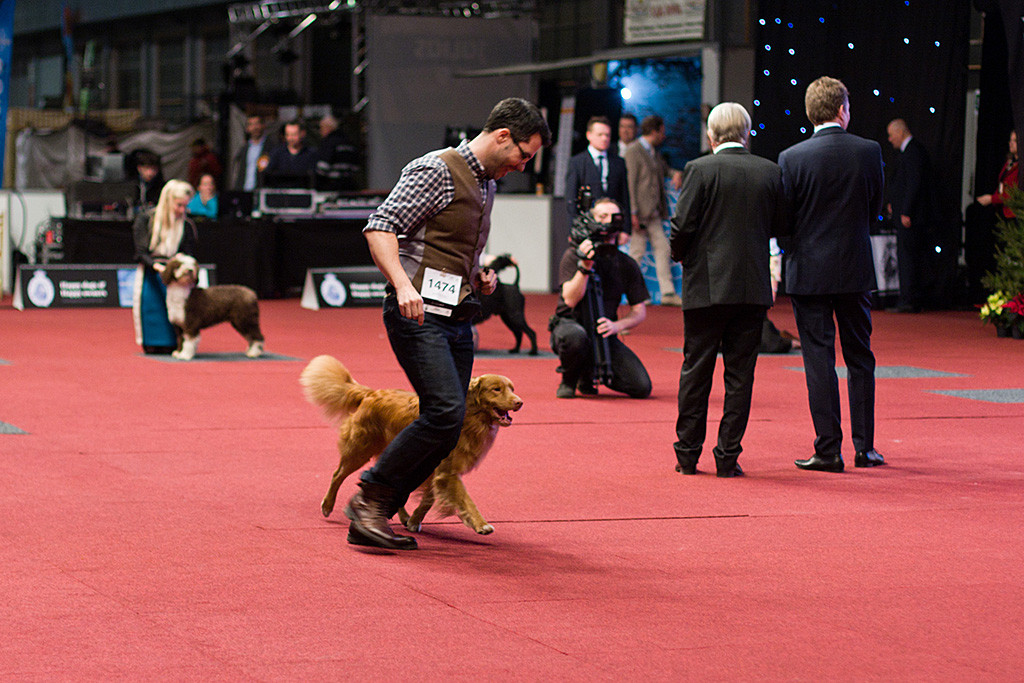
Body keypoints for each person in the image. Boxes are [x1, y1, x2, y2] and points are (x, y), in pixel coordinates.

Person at [344, 97, 551, 550]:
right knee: (442, 414)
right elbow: (380, 227)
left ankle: (382, 504)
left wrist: (477, 274)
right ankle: (369, 502)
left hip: (458, 315)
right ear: (502, 137)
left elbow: (455, 246)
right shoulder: (435, 169)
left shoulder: (487, 184)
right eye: (524, 154)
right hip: (416, 315)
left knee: (450, 421)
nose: (523, 165)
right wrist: (402, 285)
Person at [669, 102, 787, 478]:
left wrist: (682, 257)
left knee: (696, 371)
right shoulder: (769, 171)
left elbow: (682, 226)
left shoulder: (699, 169)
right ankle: (728, 457)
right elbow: (781, 224)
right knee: (740, 376)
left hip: (705, 285)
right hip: (752, 286)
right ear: (746, 132)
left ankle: (687, 456)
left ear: (711, 135)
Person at [778, 76, 886, 472]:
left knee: (818, 361)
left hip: (808, 271)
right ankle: (865, 448)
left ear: (810, 112)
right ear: (842, 109)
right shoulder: (869, 151)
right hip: (855, 268)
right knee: (861, 358)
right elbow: (875, 208)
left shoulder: (791, 157)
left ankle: (828, 450)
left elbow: (784, 219)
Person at [550, 197, 652, 400]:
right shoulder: (573, 255)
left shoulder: (626, 264)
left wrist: (617, 325)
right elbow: (569, 299)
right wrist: (585, 267)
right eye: (602, 216)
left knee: (641, 386)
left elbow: (639, 311)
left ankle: (589, 373)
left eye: (613, 217)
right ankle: (569, 379)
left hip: (605, 333)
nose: (607, 221)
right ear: (590, 219)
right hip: (569, 326)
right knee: (575, 337)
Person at [131, 180, 198, 354]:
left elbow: (188, 252)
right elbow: (140, 252)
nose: (182, 210)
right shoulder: (146, 219)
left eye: (185, 206)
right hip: (151, 275)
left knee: (177, 314)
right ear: (168, 200)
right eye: (179, 205)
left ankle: (177, 342)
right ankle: (152, 342)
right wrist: (156, 267)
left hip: (175, 277)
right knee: (151, 311)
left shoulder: (187, 225)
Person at [624, 114, 684, 306]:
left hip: (653, 213)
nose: (664, 136)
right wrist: (632, 212)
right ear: (655, 131)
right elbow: (630, 183)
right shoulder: (633, 151)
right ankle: (632, 295)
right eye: (662, 131)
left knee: (662, 248)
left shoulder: (653, 152)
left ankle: (667, 293)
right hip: (640, 213)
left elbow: (664, 170)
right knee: (636, 253)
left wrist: (676, 173)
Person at [886, 118, 936, 313]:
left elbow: (914, 184)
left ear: (900, 132)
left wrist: (906, 211)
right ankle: (908, 297)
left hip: (911, 216)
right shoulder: (910, 152)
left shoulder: (914, 151)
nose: (890, 139)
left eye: (891, 135)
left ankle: (909, 299)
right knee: (907, 256)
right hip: (906, 214)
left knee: (908, 257)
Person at [565, 116, 630, 221]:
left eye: (607, 135)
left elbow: (624, 198)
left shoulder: (618, 163)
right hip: (587, 222)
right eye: (600, 135)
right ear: (589, 135)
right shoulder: (577, 162)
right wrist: (574, 230)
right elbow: (571, 199)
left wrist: (626, 230)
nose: (604, 138)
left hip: (614, 224)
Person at [977, 129, 1019, 219]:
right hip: (1003, 210)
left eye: (1015, 141)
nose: (1011, 143)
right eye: (1010, 140)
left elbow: (1013, 194)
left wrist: (991, 199)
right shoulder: (1009, 163)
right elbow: (1002, 184)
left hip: (1014, 213)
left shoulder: (1020, 167)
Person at [264, 120, 318, 186]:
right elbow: (268, 175)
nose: (291, 138)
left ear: (302, 134)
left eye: (294, 134)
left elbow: (313, 177)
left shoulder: (311, 153)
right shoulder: (277, 153)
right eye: (288, 135)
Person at [315, 114, 361, 192]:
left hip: (332, 186)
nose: (320, 132)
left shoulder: (328, 143)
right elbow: (356, 167)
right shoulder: (349, 142)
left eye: (321, 128)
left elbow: (323, 167)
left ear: (328, 128)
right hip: (349, 186)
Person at [232, 114, 277, 191]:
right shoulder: (244, 148)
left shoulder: (271, 147)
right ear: (247, 128)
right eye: (251, 125)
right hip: (244, 191)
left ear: (263, 125)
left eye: (257, 124)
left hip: (261, 191)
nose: (255, 127)